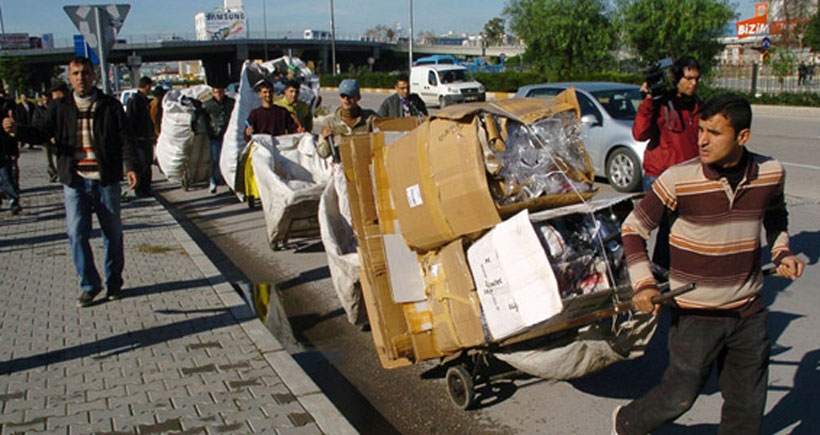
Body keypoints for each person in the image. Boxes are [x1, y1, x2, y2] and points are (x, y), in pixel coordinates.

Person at [612, 93, 805, 435]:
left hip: (749, 312)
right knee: (679, 398)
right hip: (695, 315)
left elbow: (776, 217)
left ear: (742, 137)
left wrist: (782, 252)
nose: (701, 140)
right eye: (701, 129)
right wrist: (644, 282)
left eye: (714, 133)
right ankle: (627, 423)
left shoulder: (771, 173)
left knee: (747, 408)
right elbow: (633, 228)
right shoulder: (677, 180)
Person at [2, 56, 138, 307]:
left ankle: (114, 283)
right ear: (70, 77)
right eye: (75, 74)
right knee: (76, 233)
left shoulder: (109, 105)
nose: (80, 78)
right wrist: (17, 130)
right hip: (74, 181)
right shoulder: (60, 106)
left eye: (85, 73)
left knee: (113, 234)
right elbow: (42, 132)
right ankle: (89, 284)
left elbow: (126, 138)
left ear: (93, 75)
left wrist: (130, 167)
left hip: (105, 180)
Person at [632, 55, 702, 271]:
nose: (693, 83)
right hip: (660, 175)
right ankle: (650, 270)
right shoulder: (661, 103)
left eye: (696, 79)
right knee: (655, 227)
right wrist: (649, 101)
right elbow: (640, 133)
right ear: (676, 78)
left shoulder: (698, 106)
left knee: (680, 228)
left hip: (689, 175)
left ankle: (668, 269)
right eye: (688, 78)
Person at [317, 79, 378, 161]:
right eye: (343, 96)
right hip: (341, 168)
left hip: (365, 166)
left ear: (358, 97)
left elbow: (381, 144)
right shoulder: (329, 122)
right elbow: (322, 154)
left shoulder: (370, 119)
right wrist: (326, 141)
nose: (346, 99)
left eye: (350, 96)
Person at [202, 86, 235, 193]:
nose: (218, 94)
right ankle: (213, 181)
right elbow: (203, 119)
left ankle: (229, 182)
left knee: (229, 160)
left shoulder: (230, 103)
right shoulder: (207, 105)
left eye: (220, 92)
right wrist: (208, 131)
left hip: (228, 135)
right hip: (215, 135)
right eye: (216, 92)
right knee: (215, 160)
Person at [127, 76, 155, 198]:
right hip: (139, 140)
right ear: (147, 86)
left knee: (147, 164)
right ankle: (141, 190)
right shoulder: (135, 100)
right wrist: (133, 138)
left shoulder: (144, 100)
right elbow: (131, 120)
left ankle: (146, 188)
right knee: (142, 166)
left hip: (146, 139)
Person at [0, 95, 22, 215]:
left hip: (3, 149)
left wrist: (14, 148)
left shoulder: (5, 106)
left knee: (6, 176)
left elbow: (10, 130)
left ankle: (13, 201)